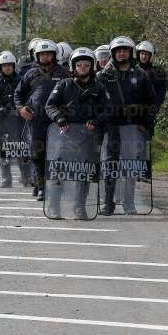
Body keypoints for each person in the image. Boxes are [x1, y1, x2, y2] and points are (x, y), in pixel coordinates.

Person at [45, 48, 111, 219]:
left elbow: (108, 109)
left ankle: (80, 207)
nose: (82, 67)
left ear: (92, 66)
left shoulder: (99, 87)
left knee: (85, 171)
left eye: (86, 64)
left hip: (88, 137)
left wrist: (96, 120)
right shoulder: (63, 84)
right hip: (64, 135)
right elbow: (49, 105)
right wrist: (59, 118)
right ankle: (54, 206)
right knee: (58, 170)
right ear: (73, 66)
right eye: (79, 65)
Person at [97, 36, 157, 215]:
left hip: (133, 127)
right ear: (113, 53)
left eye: (125, 50)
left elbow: (151, 102)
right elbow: (95, 102)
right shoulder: (102, 76)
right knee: (109, 165)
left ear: (131, 53)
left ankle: (129, 202)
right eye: (118, 50)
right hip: (111, 127)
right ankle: (108, 203)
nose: (122, 53)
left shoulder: (141, 75)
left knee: (130, 166)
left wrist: (146, 123)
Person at [14, 39, 70, 201]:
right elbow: (18, 94)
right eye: (42, 54)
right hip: (36, 121)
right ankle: (42, 187)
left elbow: (73, 93)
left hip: (58, 121)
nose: (46, 57)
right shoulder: (30, 74)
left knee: (58, 155)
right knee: (38, 155)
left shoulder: (64, 73)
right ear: (37, 56)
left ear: (54, 55)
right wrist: (21, 108)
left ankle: (56, 187)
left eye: (48, 54)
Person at [0, 51, 32, 188]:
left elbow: (28, 97)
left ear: (13, 66)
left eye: (9, 65)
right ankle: (6, 178)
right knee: (4, 149)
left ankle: (26, 177)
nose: (7, 67)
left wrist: (22, 108)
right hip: (2, 120)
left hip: (19, 120)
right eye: (4, 65)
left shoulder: (21, 81)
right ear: (0, 67)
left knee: (21, 148)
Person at [136, 40, 167, 110]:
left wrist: (153, 109)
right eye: (142, 53)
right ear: (138, 54)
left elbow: (161, 93)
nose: (144, 56)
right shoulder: (131, 70)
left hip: (149, 111)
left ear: (150, 56)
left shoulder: (158, 72)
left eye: (147, 54)